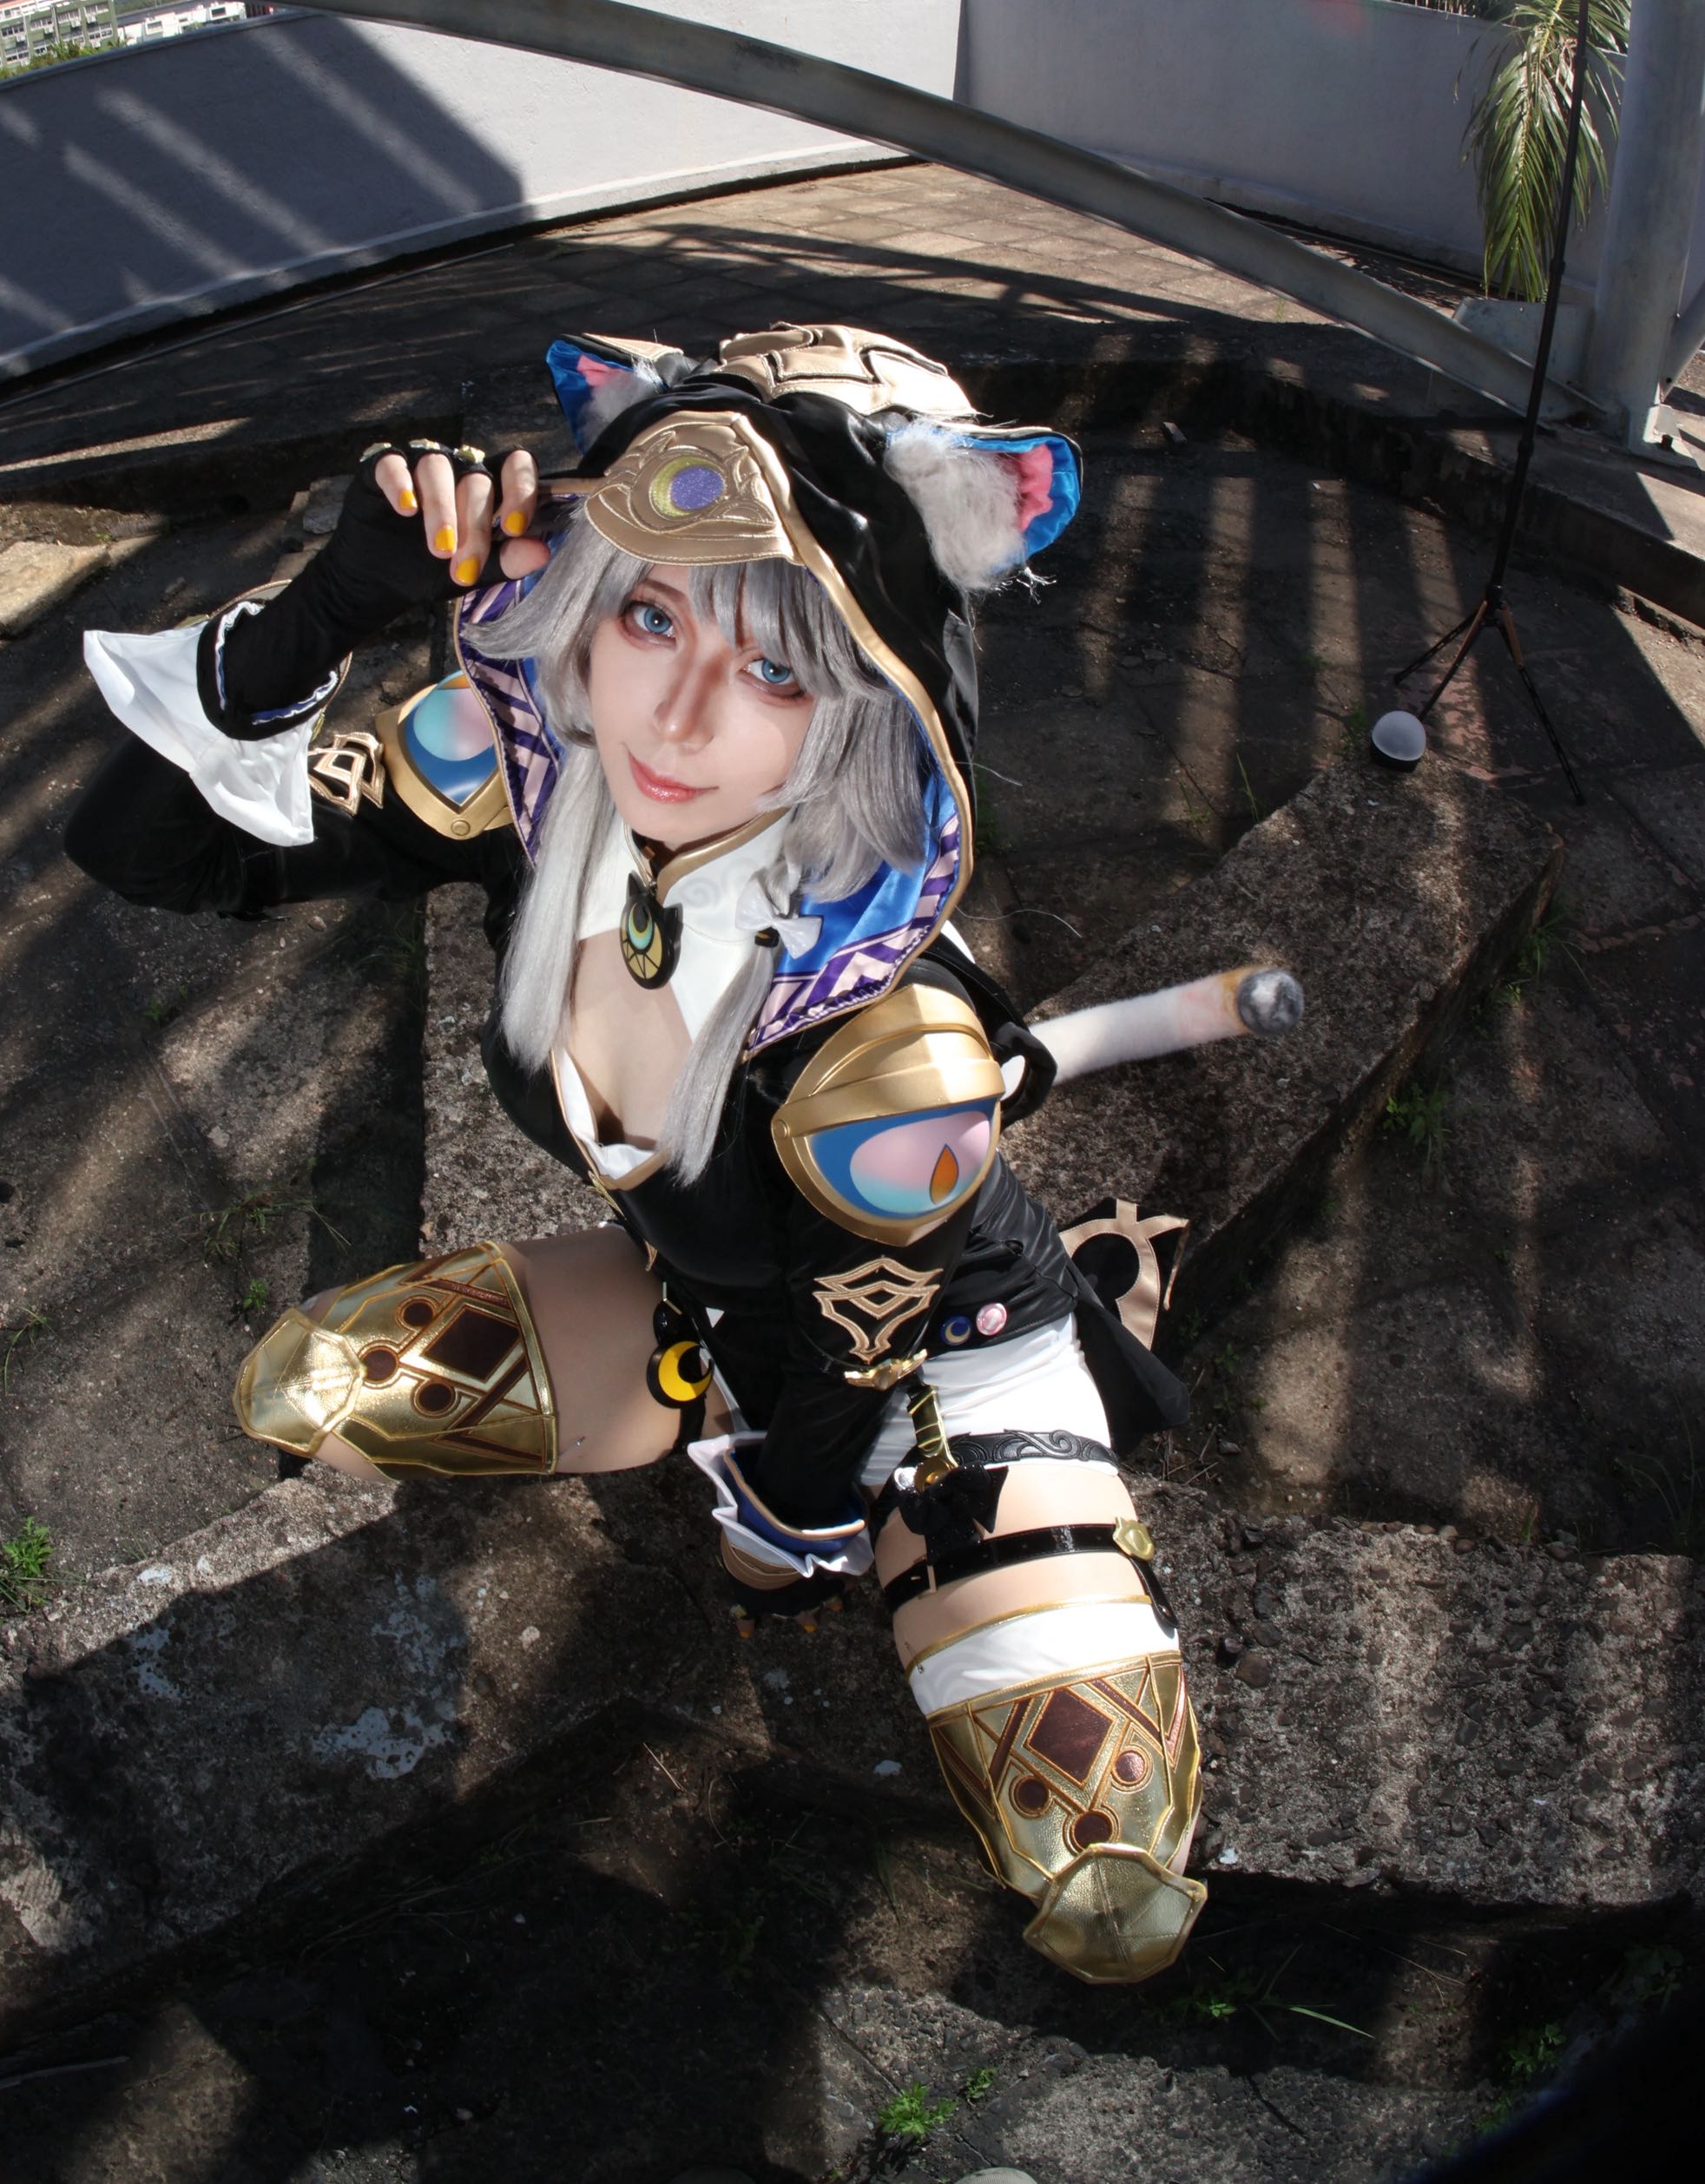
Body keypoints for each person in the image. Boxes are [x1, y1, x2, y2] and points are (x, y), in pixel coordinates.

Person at [66, 322, 1287, 1985]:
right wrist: (321, 612)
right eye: (651, 612)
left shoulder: (893, 1068)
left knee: (1097, 1860)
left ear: (876, 697)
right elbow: (150, 856)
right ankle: (773, 1375)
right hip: (715, 1306)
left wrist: (777, 1539)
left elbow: (845, 1372)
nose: (681, 716)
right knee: (315, 1385)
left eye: (780, 668)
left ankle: (1069, 1348)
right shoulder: (531, 781)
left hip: (933, 1371)